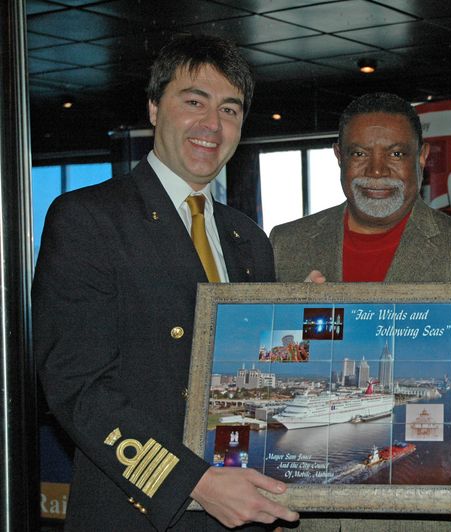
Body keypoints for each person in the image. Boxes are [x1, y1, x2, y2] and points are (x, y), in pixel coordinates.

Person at [33, 35, 299, 531]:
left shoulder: (250, 240)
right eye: (193, 101)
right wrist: (193, 481)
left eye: (229, 109)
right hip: (141, 509)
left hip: (244, 506)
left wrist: (302, 327)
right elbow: (77, 388)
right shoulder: (89, 219)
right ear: (155, 108)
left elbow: (255, 378)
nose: (212, 126)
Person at [269, 92, 451, 531]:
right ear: (338, 157)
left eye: (397, 153)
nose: (377, 171)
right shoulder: (286, 245)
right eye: (360, 153)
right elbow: (273, 355)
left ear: (422, 156)